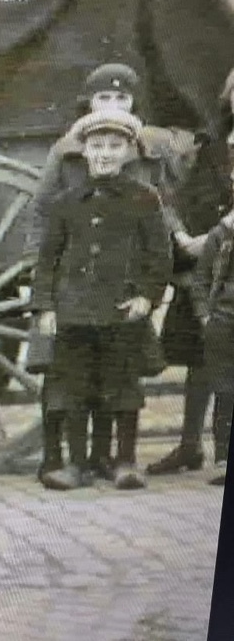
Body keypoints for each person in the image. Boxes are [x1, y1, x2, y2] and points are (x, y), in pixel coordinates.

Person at [32, 63, 199, 480]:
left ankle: (119, 460)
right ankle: (71, 462)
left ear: (126, 151)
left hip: (121, 300)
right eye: (97, 145)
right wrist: (45, 302)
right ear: (85, 146)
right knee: (72, 382)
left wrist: (147, 295)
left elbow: (157, 248)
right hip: (74, 302)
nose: (105, 153)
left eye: (113, 146)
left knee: (121, 382)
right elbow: (48, 248)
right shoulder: (66, 197)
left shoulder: (144, 195)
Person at [148, 68, 234, 477]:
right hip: (204, 265)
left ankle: (223, 452)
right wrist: (182, 233)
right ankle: (188, 446)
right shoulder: (212, 145)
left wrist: (216, 236)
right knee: (200, 355)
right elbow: (183, 195)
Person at [188, 141, 234, 488]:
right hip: (224, 321)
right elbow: (201, 278)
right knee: (225, 390)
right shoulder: (223, 234)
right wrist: (206, 314)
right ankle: (223, 457)